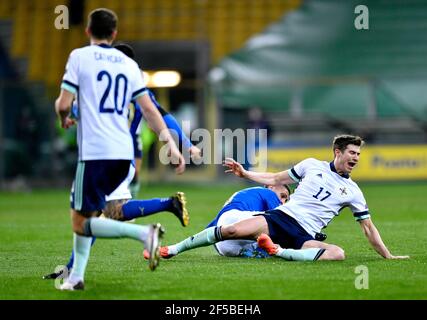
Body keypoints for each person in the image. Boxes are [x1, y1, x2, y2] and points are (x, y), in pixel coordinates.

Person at [54, 8, 185, 290]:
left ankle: (144, 234)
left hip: (94, 154)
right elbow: (150, 109)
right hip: (123, 156)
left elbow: (64, 104)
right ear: (113, 34)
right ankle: (76, 277)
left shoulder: (80, 56)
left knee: (81, 221)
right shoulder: (129, 67)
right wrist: (171, 143)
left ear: (88, 31)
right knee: (101, 212)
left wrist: (64, 118)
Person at [158, 134, 409, 262]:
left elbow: (368, 227)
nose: (356, 158)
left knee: (337, 254)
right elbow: (276, 178)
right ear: (337, 152)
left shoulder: (354, 191)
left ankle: (277, 251)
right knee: (232, 230)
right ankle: (174, 248)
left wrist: (387, 255)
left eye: (358, 154)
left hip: (304, 234)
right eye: (352, 153)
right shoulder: (311, 165)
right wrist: (245, 173)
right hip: (282, 217)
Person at [114, 43, 200, 198]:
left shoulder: (134, 88)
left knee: (127, 180)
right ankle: (165, 205)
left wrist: (184, 143)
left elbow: (160, 114)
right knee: (114, 192)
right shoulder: (118, 84)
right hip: (112, 143)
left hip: (123, 141)